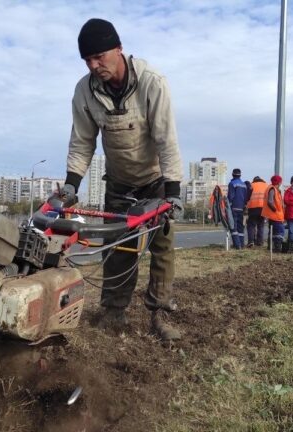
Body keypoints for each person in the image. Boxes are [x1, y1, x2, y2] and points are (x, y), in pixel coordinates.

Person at [61, 18, 184, 340]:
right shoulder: (84, 91)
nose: (93, 64)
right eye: (87, 60)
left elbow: (165, 139)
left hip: (155, 181)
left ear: (118, 49)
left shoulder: (151, 82)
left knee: (162, 249)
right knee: (116, 249)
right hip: (118, 183)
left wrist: (173, 192)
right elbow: (82, 141)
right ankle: (113, 313)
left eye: (99, 56)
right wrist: (71, 185)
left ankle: (159, 315)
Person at [262, 175, 285, 251]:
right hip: (275, 216)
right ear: (279, 182)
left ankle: (271, 247)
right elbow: (270, 202)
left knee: (272, 232)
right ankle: (277, 248)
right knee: (278, 232)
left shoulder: (273, 189)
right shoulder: (273, 189)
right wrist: (275, 210)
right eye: (280, 181)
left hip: (273, 215)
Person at [227, 168, 248, 249]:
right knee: (240, 228)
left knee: (233, 227)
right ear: (240, 175)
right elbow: (245, 198)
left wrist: (228, 207)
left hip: (234, 208)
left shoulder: (232, 183)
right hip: (242, 209)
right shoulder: (244, 184)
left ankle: (237, 245)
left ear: (232, 174)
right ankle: (242, 245)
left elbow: (230, 196)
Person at [245, 176, 267, 247]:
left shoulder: (251, 185)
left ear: (254, 180)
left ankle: (251, 241)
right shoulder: (266, 185)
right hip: (263, 208)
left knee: (251, 226)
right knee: (260, 225)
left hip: (252, 208)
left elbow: (247, 197)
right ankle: (260, 242)